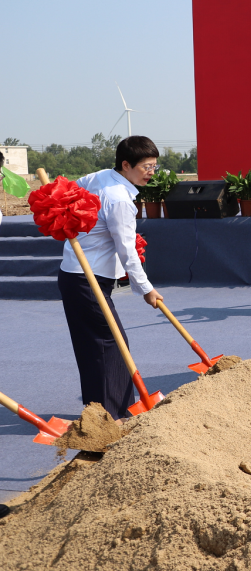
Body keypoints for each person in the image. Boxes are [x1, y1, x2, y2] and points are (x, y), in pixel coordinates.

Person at [57, 136, 164, 419]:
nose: (151, 172)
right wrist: (146, 289)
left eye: (154, 166)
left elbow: (73, 188)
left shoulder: (100, 177)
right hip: (86, 278)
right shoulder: (119, 199)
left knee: (97, 346)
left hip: (78, 275)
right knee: (109, 344)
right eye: (146, 167)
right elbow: (127, 250)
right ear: (126, 165)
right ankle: (112, 416)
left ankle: (104, 412)